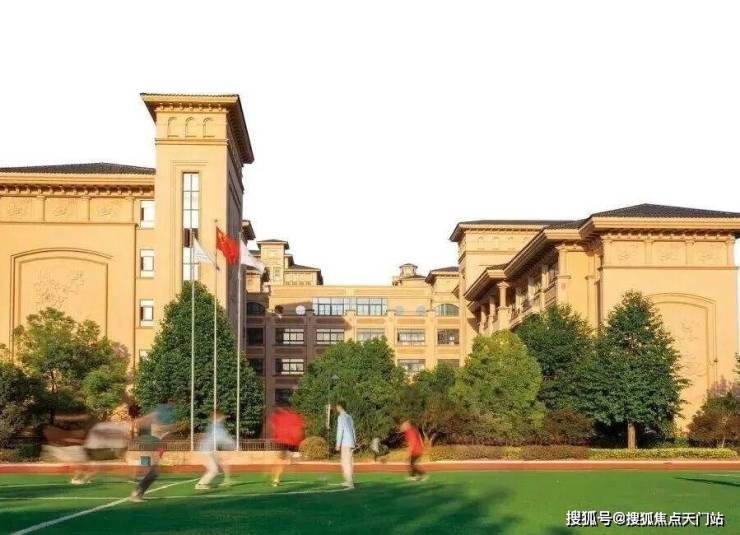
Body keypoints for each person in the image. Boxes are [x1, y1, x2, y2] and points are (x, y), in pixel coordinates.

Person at [129, 402, 177, 503]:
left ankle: (138, 491)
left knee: (153, 471)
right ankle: (137, 493)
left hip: (148, 447)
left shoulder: (153, 423)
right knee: (153, 471)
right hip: (148, 447)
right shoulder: (154, 422)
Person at [196, 411, 236, 490]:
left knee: (218, 466)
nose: (223, 418)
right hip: (206, 451)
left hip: (208, 450)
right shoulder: (217, 427)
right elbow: (222, 437)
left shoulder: (215, 425)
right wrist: (233, 445)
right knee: (214, 469)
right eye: (221, 417)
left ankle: (225, 480)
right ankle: (200, 484)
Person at [269, 407, 306, 486]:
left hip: (283, 441)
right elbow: (299, 429)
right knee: (282, 461)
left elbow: (275, 426)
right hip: (288, 441)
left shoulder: (282, 417)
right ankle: (276, 478)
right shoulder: (294, 417)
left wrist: (275, 436)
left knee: (281, 460)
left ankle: (276, 477)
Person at [334, 401, 356, 489]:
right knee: (349, 462)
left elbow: (340, 431)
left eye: (337, 406)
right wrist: (354, 441)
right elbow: (353, 430)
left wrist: (338, 444)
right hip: (351, 443)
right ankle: (349, 480)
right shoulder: (349, 417)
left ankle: (349, 482)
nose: (336, 408)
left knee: (345, 462)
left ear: (340, 407)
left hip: (345, 443)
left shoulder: (341, 417)